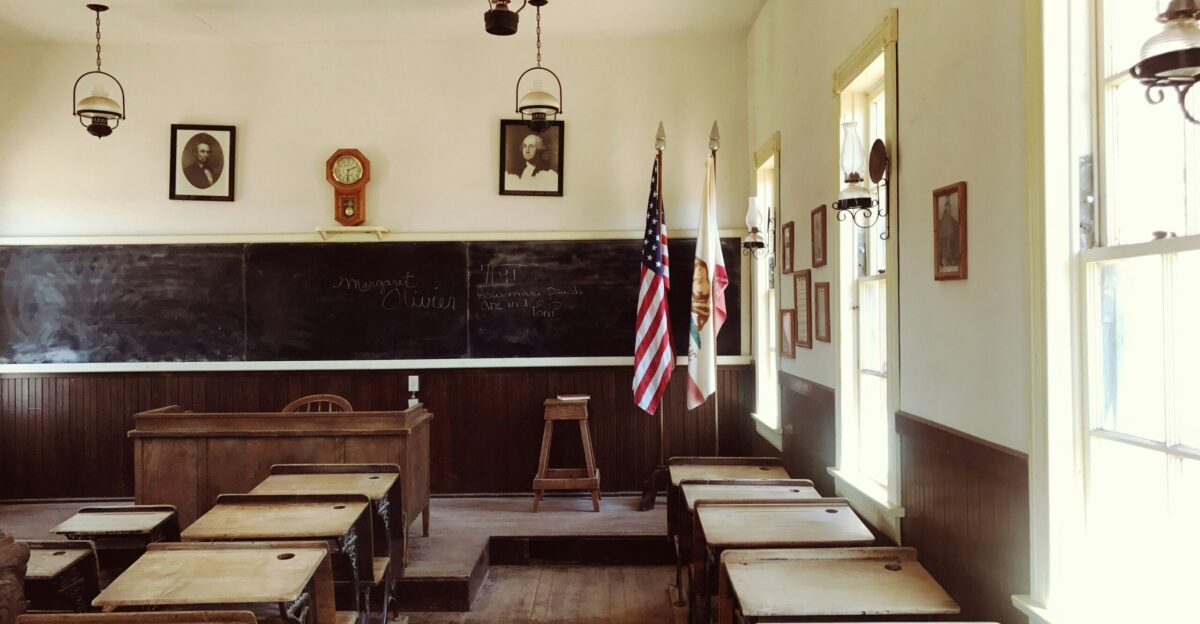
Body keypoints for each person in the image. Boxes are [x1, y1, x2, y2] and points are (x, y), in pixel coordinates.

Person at [938, 196, 960, 269]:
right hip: (946, 239)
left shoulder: (950, 218)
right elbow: (946, 231)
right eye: (948, 207)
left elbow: (953, 223)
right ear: (945, 208)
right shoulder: (945, 218)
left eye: (950, 207)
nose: (950, 209)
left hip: (950, 239)